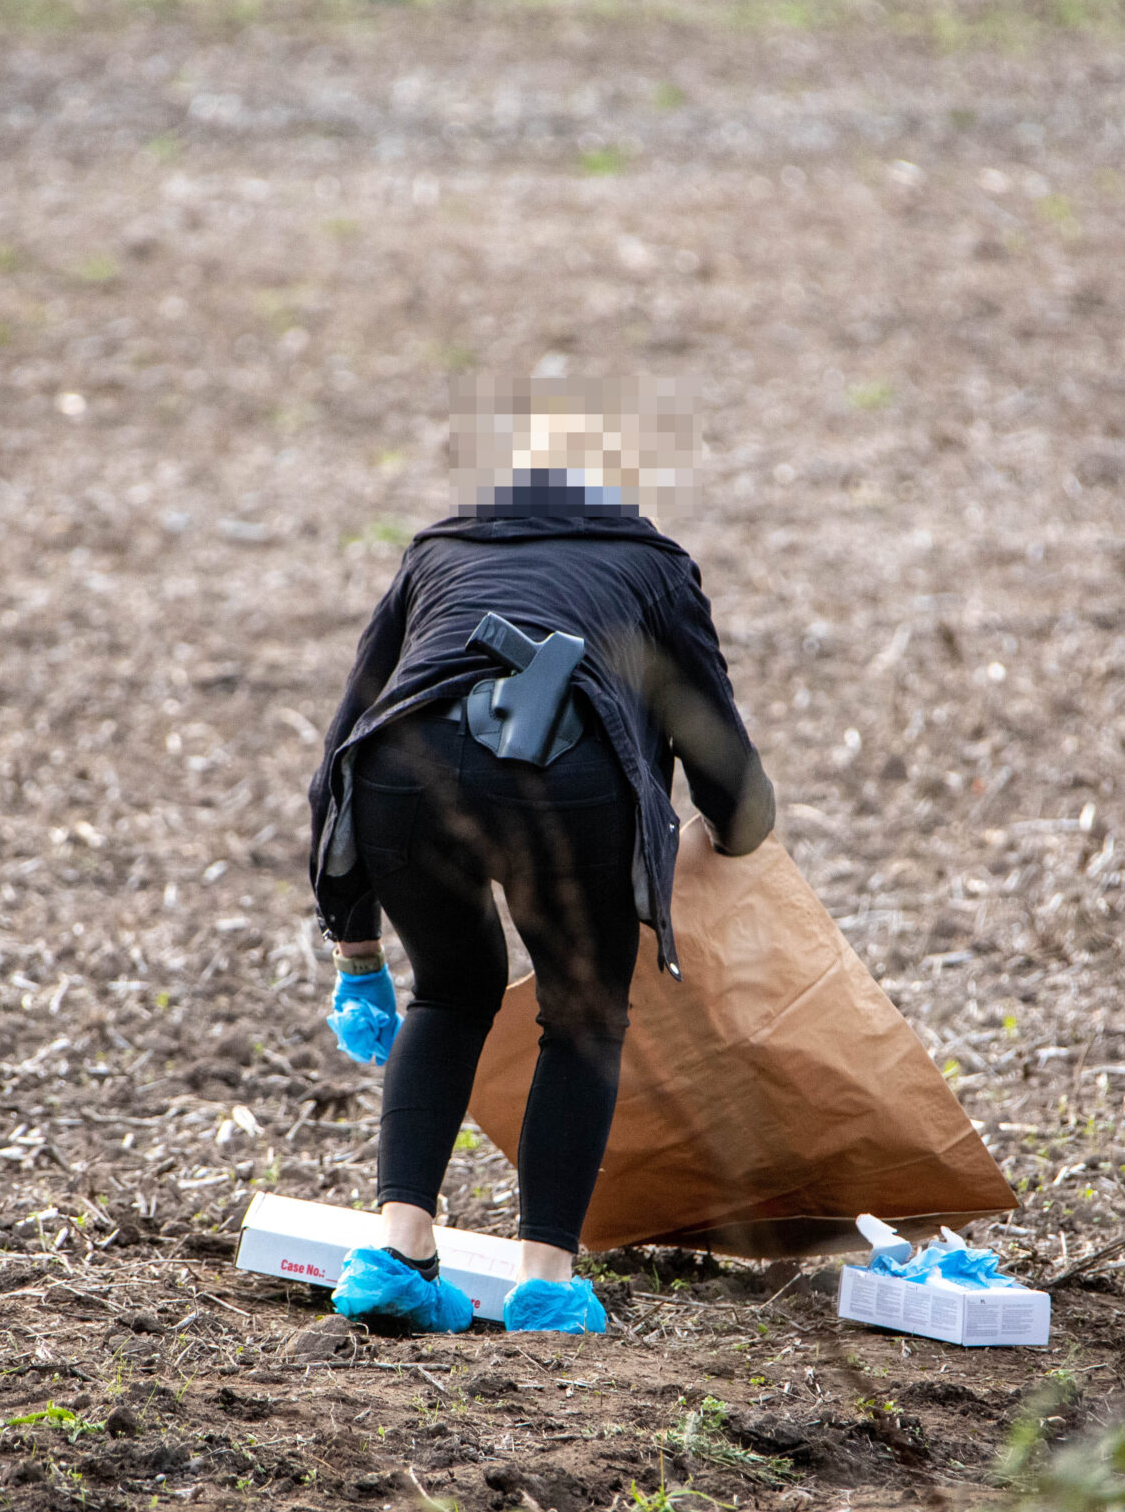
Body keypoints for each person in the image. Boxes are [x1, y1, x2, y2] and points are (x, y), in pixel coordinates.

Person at [305, 379, 775, 1334]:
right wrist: (730, 837)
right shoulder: (653, 568)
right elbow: (725, 766)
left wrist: (357, 954)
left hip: (404, 772)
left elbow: (342, 747)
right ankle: (547, 1283)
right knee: (580, 1017)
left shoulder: (438, 551)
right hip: (573, 787)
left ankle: (400, 1251)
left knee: (448, 988)